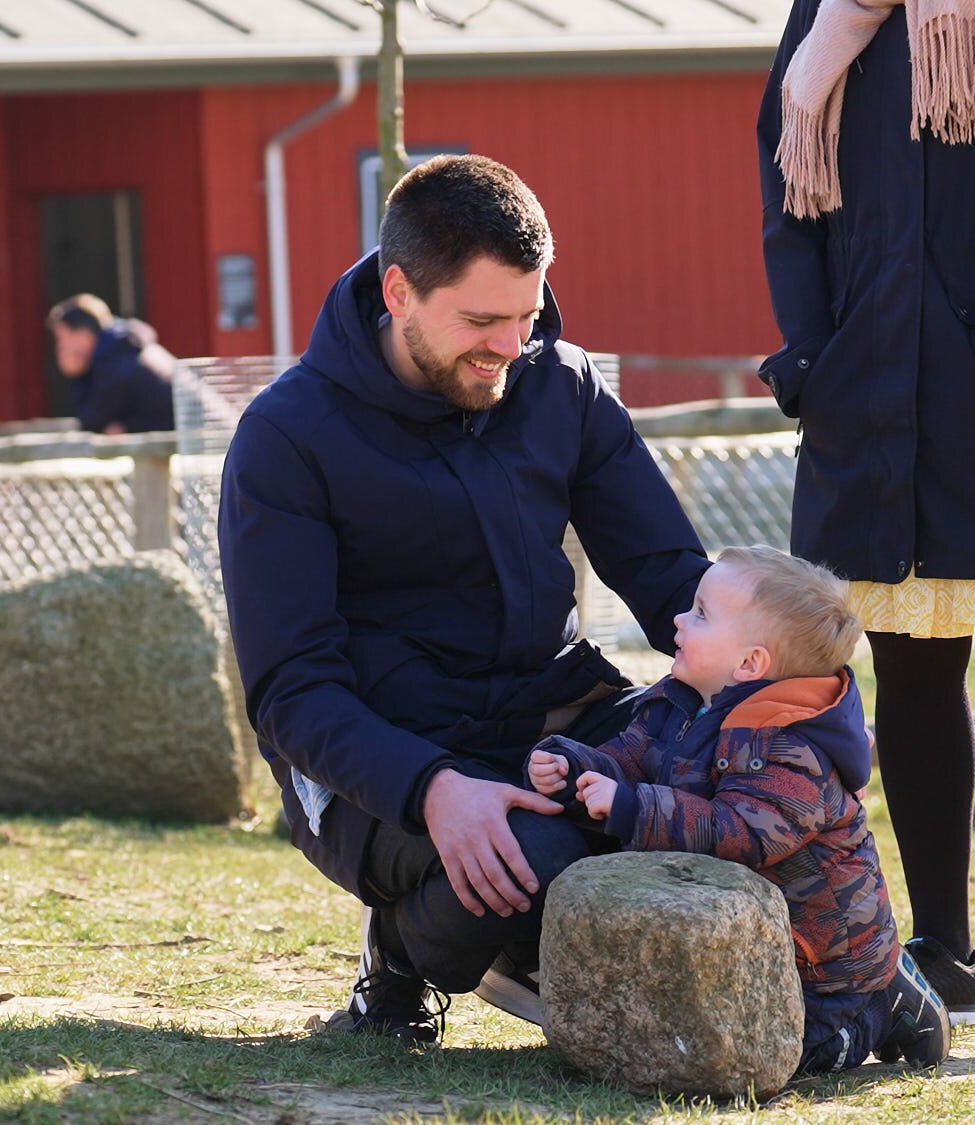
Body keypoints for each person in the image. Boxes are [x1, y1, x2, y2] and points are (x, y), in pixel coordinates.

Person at [217, 153, 709, 1041]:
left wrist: (771, 686)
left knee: (739, 769)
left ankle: (867, 970)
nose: (511, 345)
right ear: (398, 291)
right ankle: (402, 952)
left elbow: (673, 579)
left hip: (544, 725)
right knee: (541, 856)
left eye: (527, 313)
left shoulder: (561, 384)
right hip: (382, 762)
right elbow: (291, 690)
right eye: (483, 319)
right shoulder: (285, 436)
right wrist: (433, 787)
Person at [758, 0, 975, 1051]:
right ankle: (944, 954)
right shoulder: (832, 11)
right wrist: (811, 357)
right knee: (911, 666)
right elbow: (784, 174)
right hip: (871, 394)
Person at [529, 546, 952, 1072]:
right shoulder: (678, 702)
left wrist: (634, 808)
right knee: (708, 1035)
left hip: (826, 964)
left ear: (750, 663)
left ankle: (888, 1003)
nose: (679, 618)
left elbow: (742, 835)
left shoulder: (791, 749)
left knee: (788, 1055)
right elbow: (629, 760)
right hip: (755, 942)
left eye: (701, 613)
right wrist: (575, 768)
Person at [45, 294, 176, 434]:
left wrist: (75, 375)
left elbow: (91, 422)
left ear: (84, 335)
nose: (59, 347)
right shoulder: (122, 346)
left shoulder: (117, 358)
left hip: (184, 434)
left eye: (61, 338)